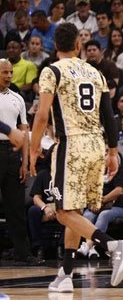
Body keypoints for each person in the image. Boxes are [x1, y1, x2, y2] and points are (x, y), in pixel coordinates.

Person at [29, 23, 123, 292]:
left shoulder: (52, 70)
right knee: (75, 211)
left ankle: (112, 245)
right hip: (97, 145)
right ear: (78, 45)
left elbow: (41, 115)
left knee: (63, 212)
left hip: (72, 145)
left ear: (55, 45)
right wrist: (113, 152)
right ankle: (66, 274)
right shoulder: (95, 72)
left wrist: (32, 148)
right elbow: (109, 116)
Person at [0, 59, 41, 266]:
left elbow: (24, 132)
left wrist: (25, 162)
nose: (8, 76)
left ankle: (23, 252)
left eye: (10, 72)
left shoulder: (17, 98)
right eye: (4, 72)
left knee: (16, 206)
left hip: (12, 153)